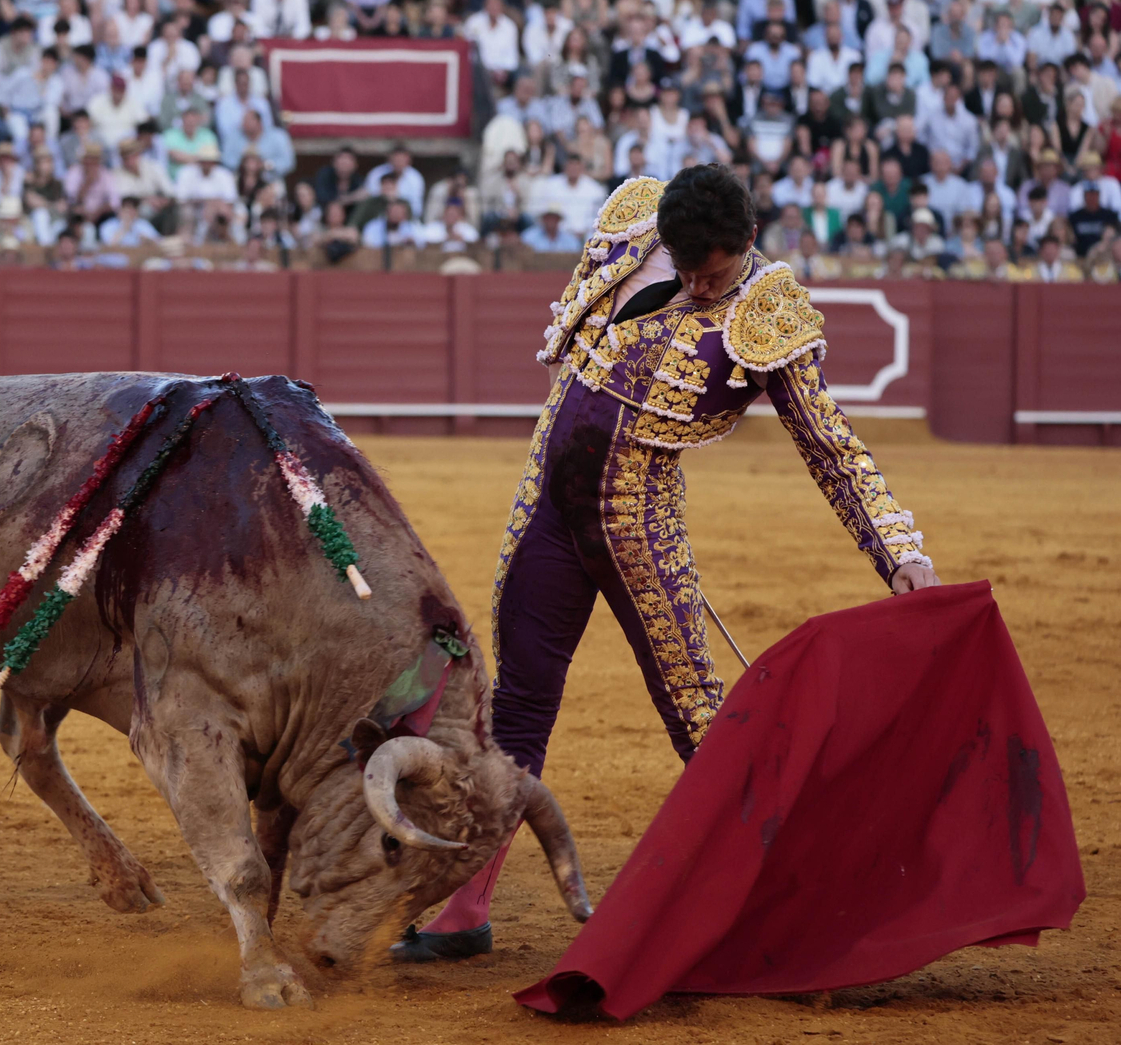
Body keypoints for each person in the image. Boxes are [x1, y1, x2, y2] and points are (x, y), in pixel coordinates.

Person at [392, 166, 941, 963]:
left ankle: (782, 899)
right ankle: (467, 908)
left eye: (709, 272)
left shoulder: (767, 315)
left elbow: (831, 447)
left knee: (699, 722)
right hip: (549, 508)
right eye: (682, 265)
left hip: (638, 522)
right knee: (518, 707)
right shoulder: (636, 223)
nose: (692, 282)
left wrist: (901, 552)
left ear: (746, 245)